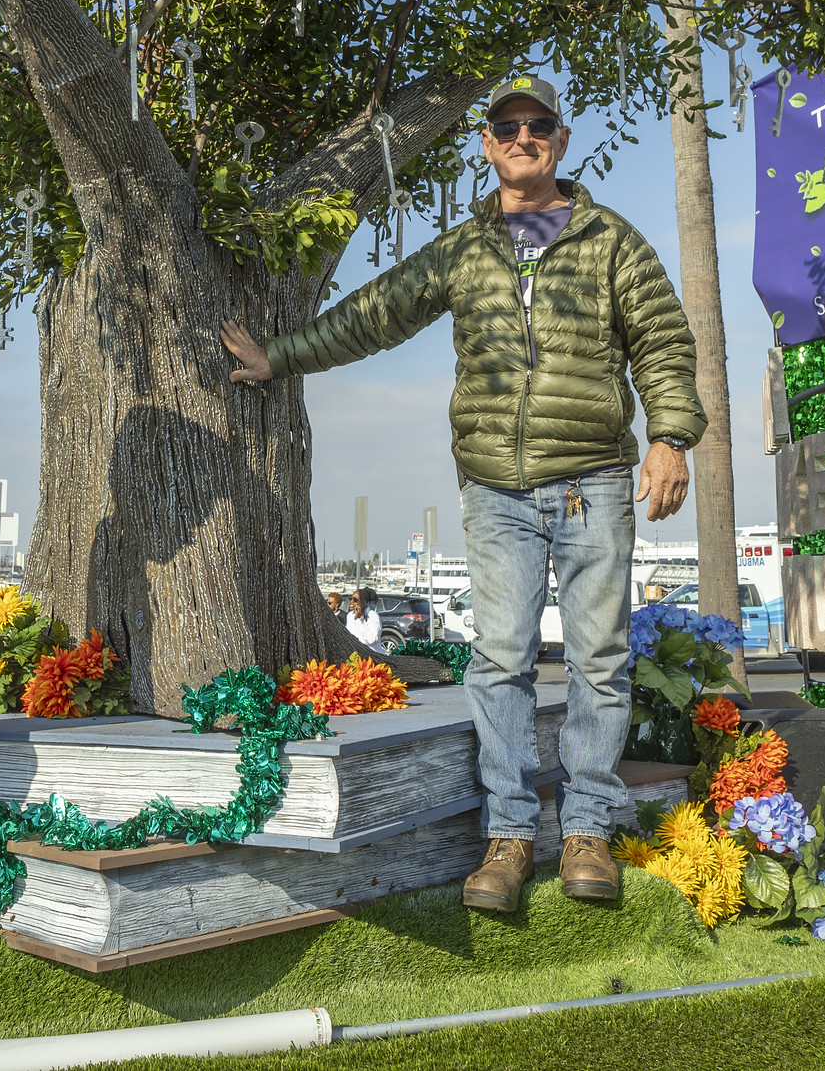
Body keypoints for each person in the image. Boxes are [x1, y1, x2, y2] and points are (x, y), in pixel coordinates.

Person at [221, 75, 703, 914]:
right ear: (485, 143)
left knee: (600, 660)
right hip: (495, 489)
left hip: (593, 480)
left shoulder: (612, 240)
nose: (523, 137)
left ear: (560, 139)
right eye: (507, 126)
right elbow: (376, 313)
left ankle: (587, 829)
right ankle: (511, 834)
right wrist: (281, 357)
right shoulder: (463, 249)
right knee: (501, 661)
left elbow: (663, 338)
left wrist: (670, 437)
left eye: (539, 125)